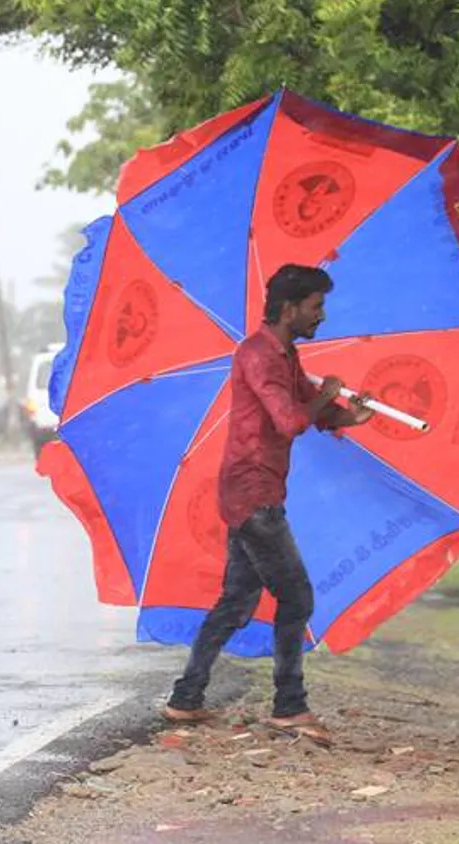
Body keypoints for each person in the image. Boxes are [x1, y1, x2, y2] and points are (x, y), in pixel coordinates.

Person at [162, 264, 372, 744]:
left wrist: (348, 415)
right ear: (289, 307)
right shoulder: (258, 355)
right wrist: (326, 397)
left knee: (236, 602)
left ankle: (186, 697)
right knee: (296, 596)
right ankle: (289, 705)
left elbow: (313, 413)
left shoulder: (285, 355)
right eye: (316, 306)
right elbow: (290, 420)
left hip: (256, 491)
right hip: (252, 493)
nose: (322, 315)